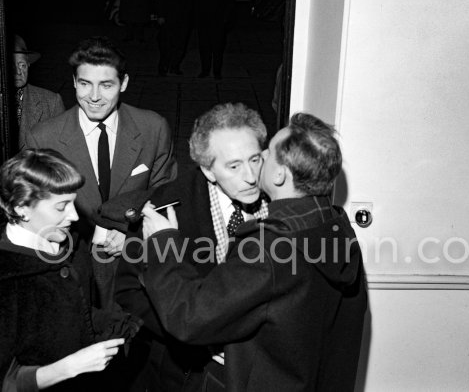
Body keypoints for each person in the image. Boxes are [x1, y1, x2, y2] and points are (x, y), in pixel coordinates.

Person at [138, 112, 368, 392]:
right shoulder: (337, 225)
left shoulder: (268, 248)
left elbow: (189, 318)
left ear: (280, 174)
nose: (256, 164)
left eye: (266, 154)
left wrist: (163, 244)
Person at [99, 102, 269, 391]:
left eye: (255, 160)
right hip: (186, 372)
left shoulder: (280, 199)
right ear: (208, 170)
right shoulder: (165, 207)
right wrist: (189, 336)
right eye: (234, 166)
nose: (251, 177)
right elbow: (128, 290)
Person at [24, 36, 177, 309]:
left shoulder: (153, 128)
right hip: (71, 264)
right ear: (73, 82)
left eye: (106, 85)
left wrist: (134, 233)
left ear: (124, 83)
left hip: (134, 264)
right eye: (85, 84)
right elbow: (34, 216)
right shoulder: (43, 138)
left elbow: (167, 193)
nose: (94, 97)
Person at [0, 148, 139, 392]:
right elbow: (7, 381)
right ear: (22, 208)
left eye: (73, 203)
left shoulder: (70, 241)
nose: (74, 216)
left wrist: (122, 322)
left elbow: (75, 311)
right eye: (61, 206)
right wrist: (70, 366)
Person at [12, 34, 65, 149]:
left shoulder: (51, 102)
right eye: (11, 66)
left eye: (22, 65)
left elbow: (61, 153)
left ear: (29, 64)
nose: (18, 72)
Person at [194, 0, 235, 80]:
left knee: (218, 49)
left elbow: (230, 5)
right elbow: (196, 3)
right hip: (204, 23)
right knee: (204, 48)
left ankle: (217, 71)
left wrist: (225, 21)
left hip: (218, 23)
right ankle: (205, 70)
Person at [156, 0, 194, 76]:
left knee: (180, 44)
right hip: (168, 17)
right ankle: (163, 66)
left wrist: (189, 17)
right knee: (165, 43)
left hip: (182, 17)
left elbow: (189, 0)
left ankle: (174, 66)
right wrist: (160, 15)